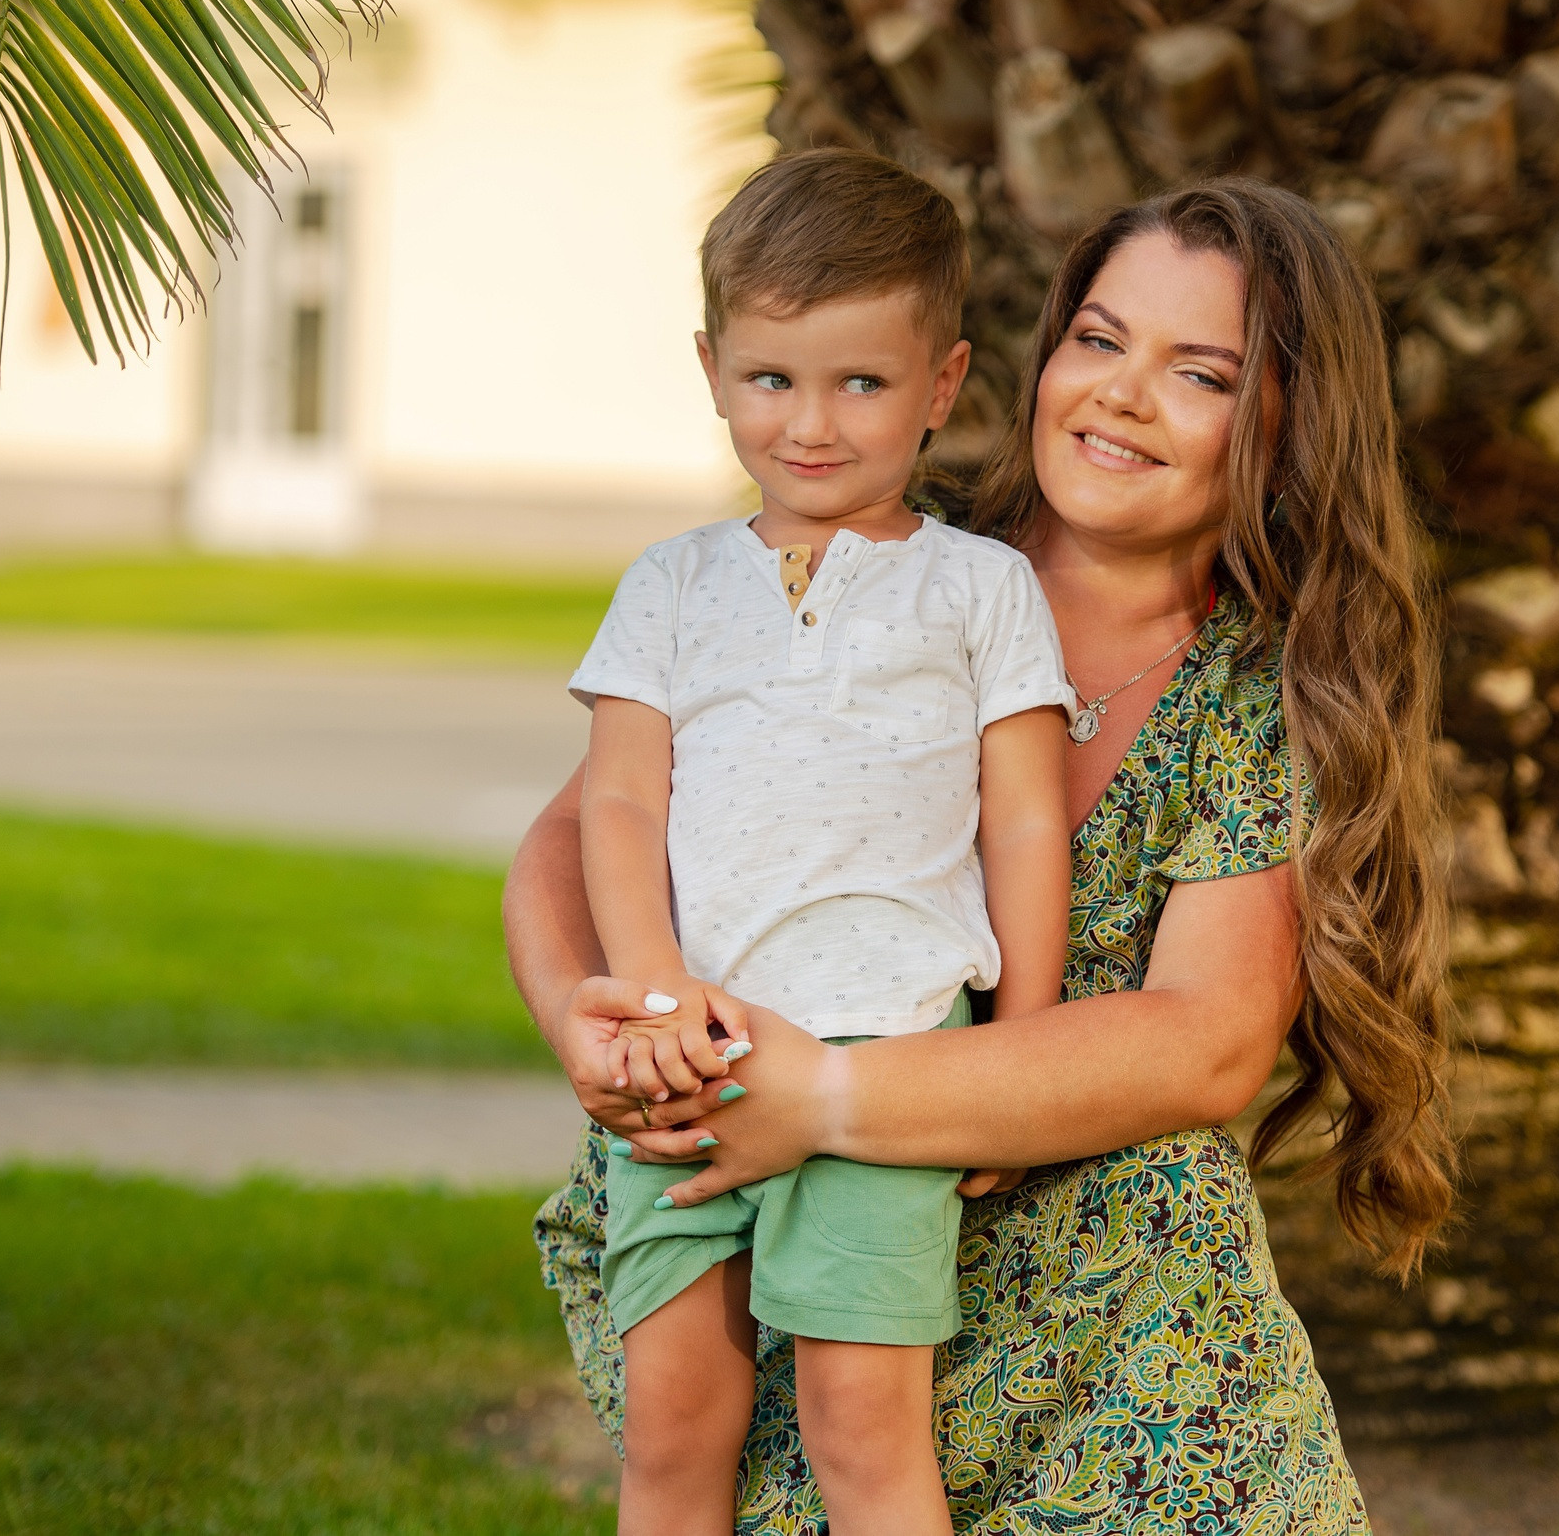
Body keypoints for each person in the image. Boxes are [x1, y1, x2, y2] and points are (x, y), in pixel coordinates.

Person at [509, 177, 1455, 1534]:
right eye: (1099, 339)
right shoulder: (876, 543)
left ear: (1286, 423)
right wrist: (594, 1023)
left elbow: (1205, 1042)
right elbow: (581, 829)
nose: (1123, 394)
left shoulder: (1258, 694)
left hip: (1110, 1298)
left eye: (1199, 373)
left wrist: (831, 1096)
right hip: (771, 1202)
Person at [569, 148, 1075, 1536]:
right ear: (711, 366)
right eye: (770, 377)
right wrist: (655, 993)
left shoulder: (981, 589)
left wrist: (1017, 1055)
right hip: (691, 1054)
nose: (810, 422)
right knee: (673, 1421)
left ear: (943, 382)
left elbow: (1025, 817)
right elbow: (620, 803)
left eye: (860, 381)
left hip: (893, 1052)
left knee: (862, 1424)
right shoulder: (671, 584)